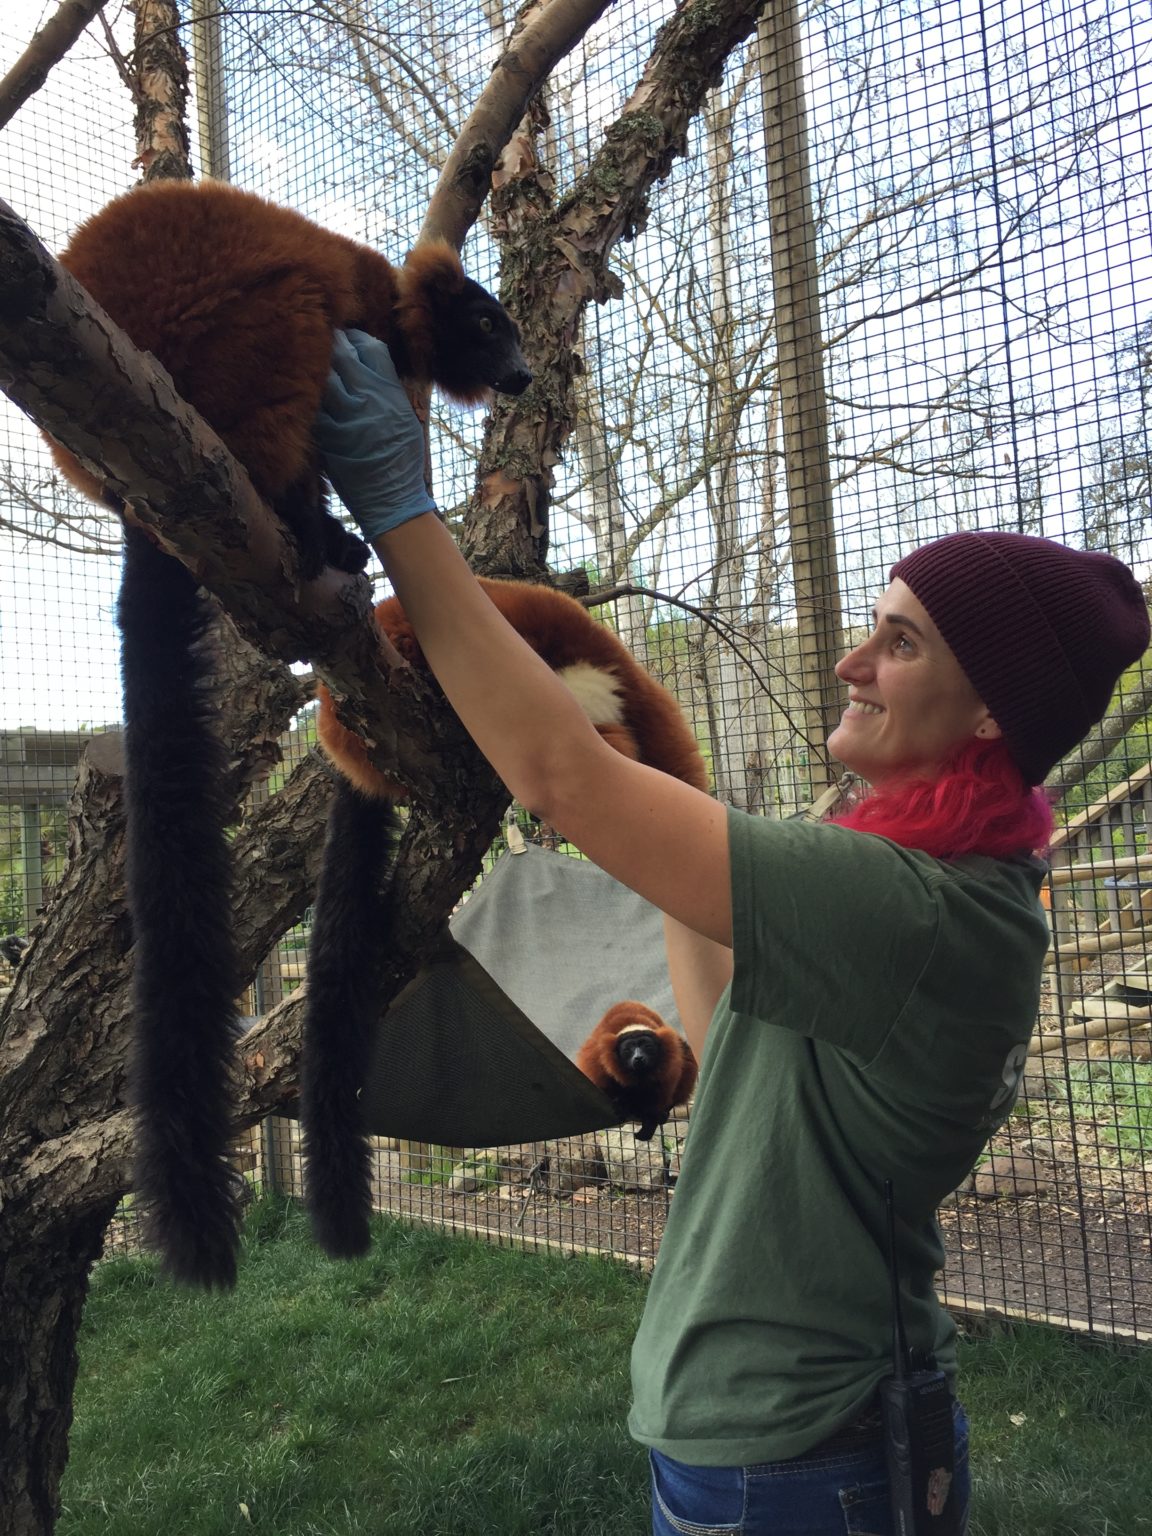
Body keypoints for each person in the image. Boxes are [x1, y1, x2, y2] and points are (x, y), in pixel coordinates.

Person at [314, 329, 1150, 1536]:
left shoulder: (908, 910)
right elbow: (720, 1025)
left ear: (986, 716)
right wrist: (647, 797)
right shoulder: (952, 890)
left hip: (804, 1462)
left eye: (902, 643)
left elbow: (557, 774)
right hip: (805, 1440)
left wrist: (402, 512)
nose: (854, 662)